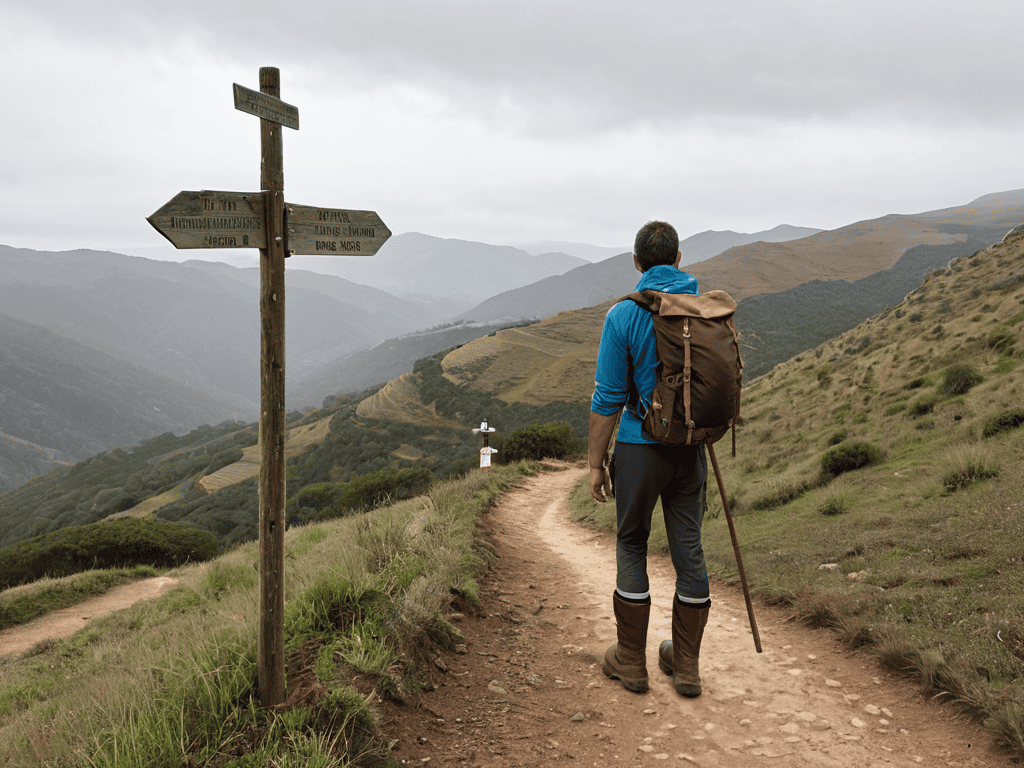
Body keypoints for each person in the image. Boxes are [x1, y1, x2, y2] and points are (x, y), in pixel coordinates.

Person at [589, 220, 711, 698]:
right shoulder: (705, 311)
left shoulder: (623, 315)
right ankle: (687, 667)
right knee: (689, 549)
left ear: (637, 262)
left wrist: (596, 463)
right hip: (691, 448)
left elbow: (607, 398)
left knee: (632, 543)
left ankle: (630, 662)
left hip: (640, 448)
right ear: (678, 260)